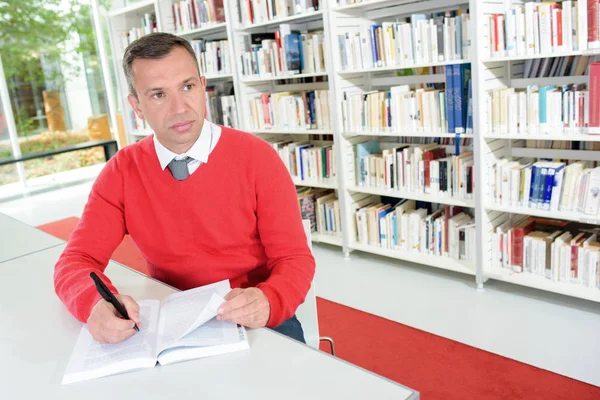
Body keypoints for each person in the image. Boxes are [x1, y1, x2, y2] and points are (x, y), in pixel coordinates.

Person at [53, 32, 315, 345]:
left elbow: (295, 258)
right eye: (158, 95)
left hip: (253, 312)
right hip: (175, 315)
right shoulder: (121, 172)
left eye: (187, 87)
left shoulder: (258, 158)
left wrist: (270, 300)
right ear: (136, 106)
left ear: (204, 87)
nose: (179, 108)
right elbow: (76, 260)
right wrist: (92, 304)